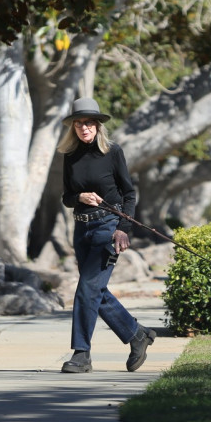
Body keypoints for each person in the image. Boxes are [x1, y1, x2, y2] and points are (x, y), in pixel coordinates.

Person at [57, 97, 156, 373]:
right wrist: (80, 196)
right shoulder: (70, 156)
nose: (84, 128)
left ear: (98, 126)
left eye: (88, 123)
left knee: (87, 288)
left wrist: (123, 229)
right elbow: (66, 197)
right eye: (78, 123)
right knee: (94, 290)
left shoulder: (113, 152)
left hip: (107, 227)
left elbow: (129, 194)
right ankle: (137, 335)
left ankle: (81, 354)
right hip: (82, 228)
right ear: (73, 127)